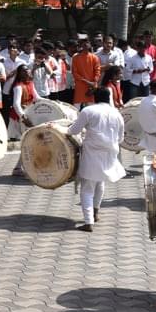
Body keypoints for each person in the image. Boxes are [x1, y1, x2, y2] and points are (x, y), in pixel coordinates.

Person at [65, 88, 127, 231]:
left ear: (94, 98)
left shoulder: (88, 111)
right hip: (110, 153)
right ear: (109, 97)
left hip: (92, 153)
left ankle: (88, 222)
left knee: (87, 188)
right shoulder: (117, 113)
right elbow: (120, 138)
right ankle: (95, 212)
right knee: (100, 182)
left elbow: (73, 131)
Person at [71, 39, 101, 107]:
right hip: (80, 86)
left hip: (91, 86)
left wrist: (94, 82)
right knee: (77, 107)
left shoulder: (94, 57)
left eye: (87, 42)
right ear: (81, 45)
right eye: (83, 43)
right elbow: (74, 73)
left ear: (90, 45)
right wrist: (87, 82)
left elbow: (97, 71)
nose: (85, 44)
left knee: (91, 107)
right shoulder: (75, 58)